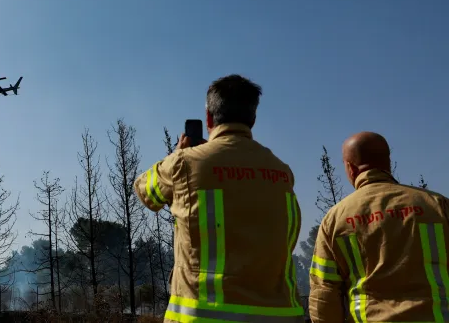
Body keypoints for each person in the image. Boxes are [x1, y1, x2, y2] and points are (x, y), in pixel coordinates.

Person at [134, 74, 305, 323]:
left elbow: (144, 191)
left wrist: (178, 154)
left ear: (208, 118)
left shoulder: (184, 163)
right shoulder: (282, 171)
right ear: (253, 119)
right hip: (281, 316)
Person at [309, 131, 449, 322]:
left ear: (350, 168)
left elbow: (324, 293)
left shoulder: (335, 219)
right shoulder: (436, 204)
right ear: (388, 162)